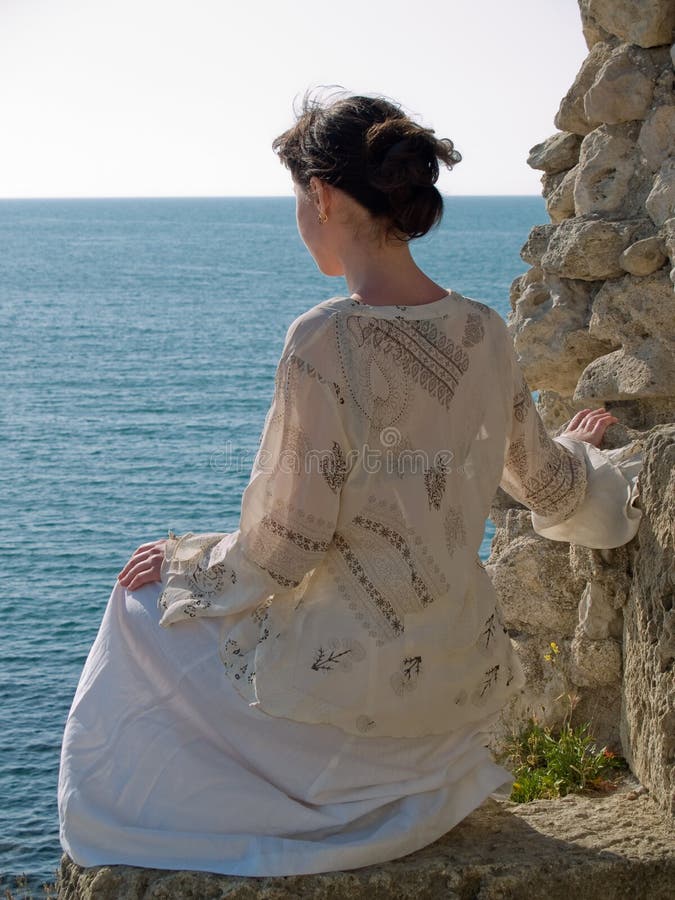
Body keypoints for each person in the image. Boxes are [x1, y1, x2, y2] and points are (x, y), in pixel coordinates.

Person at [58, 93, 641, 877]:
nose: (298, 219)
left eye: (298, 199)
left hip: (353, 704)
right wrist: (578, 448)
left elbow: (285, 548)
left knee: (135, 605)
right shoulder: (482, 331)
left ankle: (240, 804)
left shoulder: (325, 339)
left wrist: (188, 565)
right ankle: (398, 783)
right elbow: (547, 485)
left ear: (324, 197)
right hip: (452, 693)